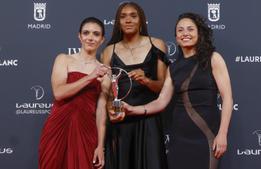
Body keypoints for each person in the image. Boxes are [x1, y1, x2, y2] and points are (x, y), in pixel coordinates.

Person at [123, 13, 233, 169]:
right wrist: (133, 110)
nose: (185, 33)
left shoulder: (213, 58)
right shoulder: (173, 68)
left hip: (206, 135)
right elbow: (161, 102)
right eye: (180, 30)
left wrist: (222, 134)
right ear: (176, 37)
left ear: (199, 33)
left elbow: (227, 98)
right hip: (179, 138)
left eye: (190, 29)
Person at [101, 2, 170, 169]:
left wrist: (146, 80)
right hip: (121, 121)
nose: (128, 20)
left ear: (141, 21)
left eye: (133, 16)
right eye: (123, 17)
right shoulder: (109, 51)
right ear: (118, 22)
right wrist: (111, 107)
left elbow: (163, 88)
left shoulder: (157, 45)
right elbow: (108, 92)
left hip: (149, 119)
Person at [39, 17, 109, 169]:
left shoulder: (105, 72)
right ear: (79, 36)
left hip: (86, 130)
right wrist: (91, 77)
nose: (90, 37)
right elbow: (59, 93)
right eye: (86, 33)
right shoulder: (64, 59)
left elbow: (101, 111)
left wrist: (100, 146)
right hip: (58, 127)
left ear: (102, 40)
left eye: (96, 34)